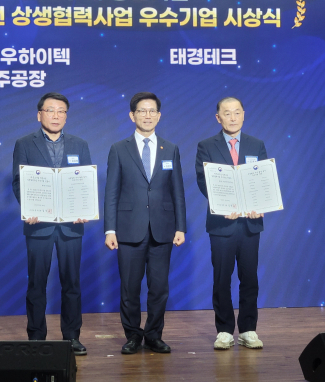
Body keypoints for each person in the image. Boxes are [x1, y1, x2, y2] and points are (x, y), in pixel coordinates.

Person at [104, 92, 187, 355]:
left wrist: (180, 226)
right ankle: (132, 336)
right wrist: (110, 229)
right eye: (142, 111)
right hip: (128, 229)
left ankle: (153, 335)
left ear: (159, 116)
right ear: (132, 116)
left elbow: (178, 191)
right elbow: (111, 192)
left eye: (152, 111)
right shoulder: (119, 148)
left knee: (159, 288)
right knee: (129, 289)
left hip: (163, 229)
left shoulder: (170, 149)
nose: (147, 115)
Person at [12, 92, 91, 356]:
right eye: (50, 110)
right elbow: (18, 182)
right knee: (37, 284)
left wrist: (83, 209)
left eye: (61, 111)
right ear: (39, 115)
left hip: (71, 226)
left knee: (72, 283)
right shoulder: (25, 143)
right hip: (39, 225)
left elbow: (84, 181)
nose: (56, 116)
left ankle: (72, 337)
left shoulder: (80, 144)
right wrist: (29, 208)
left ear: (66, 116)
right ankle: (36, 337)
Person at [195, 96, 267, 350]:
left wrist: (259, 203)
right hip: (221, 224)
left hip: (250, 224)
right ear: (219, 118)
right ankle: (224, 330)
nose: (233, 117)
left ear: (244, 115)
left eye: (237, 112)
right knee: (221, 278)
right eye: (227, 113)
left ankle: (248, 329)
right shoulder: (206, 145)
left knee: (250, 278)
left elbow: (262, 179)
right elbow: (203, 180)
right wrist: (223, 205)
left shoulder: (256, 144)